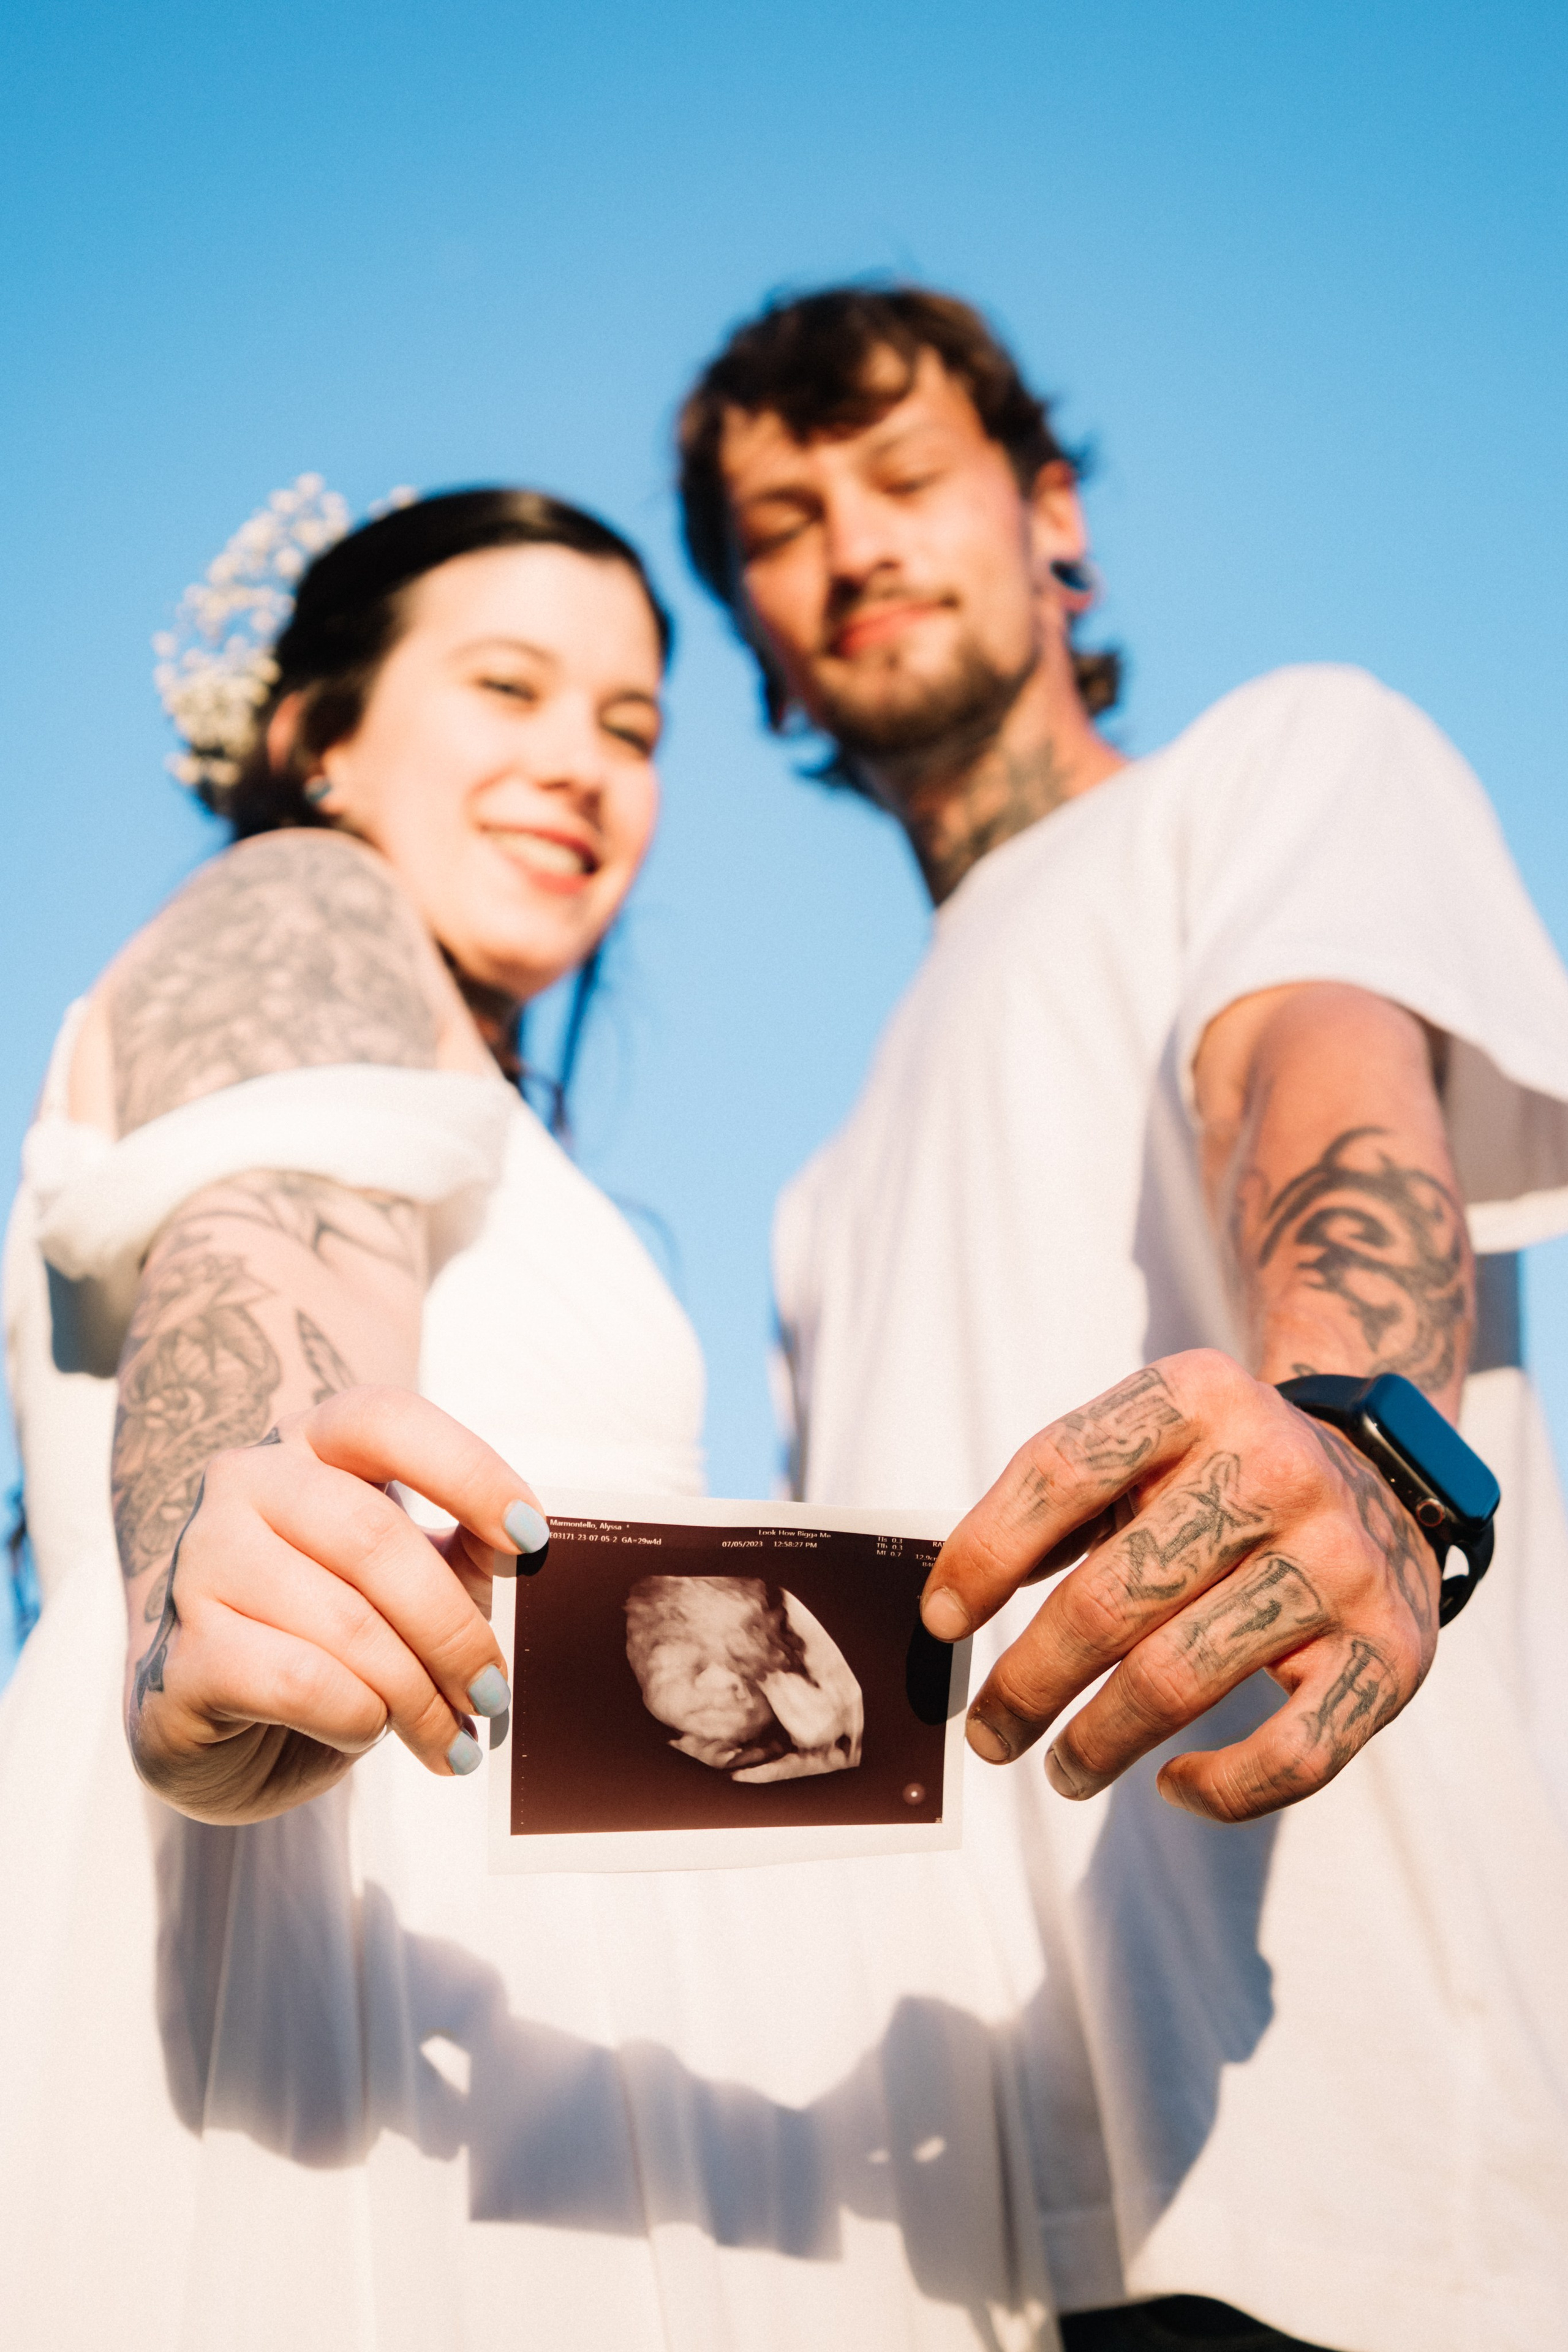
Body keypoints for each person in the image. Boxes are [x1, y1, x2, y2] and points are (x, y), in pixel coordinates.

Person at [1, 482, 1062, 2350]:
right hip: (380, 1970)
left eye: (633, 727)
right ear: (320, 735)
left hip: (559, 2000)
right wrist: (223, 1543)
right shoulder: (298, 906)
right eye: (508, 688)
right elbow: (276, 1241)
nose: (580, 764)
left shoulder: (472, 1088)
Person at [676, 285, 1568, 2351]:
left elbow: (1311, 1083)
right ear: (765, 651)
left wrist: (1355, 1437)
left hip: (1325, 2160)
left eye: (907, 478)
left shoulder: (1280, 761)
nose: (857, 547)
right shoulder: (816, 1184)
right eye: (784, 526)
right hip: (963, 2205)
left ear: (1051, 516)